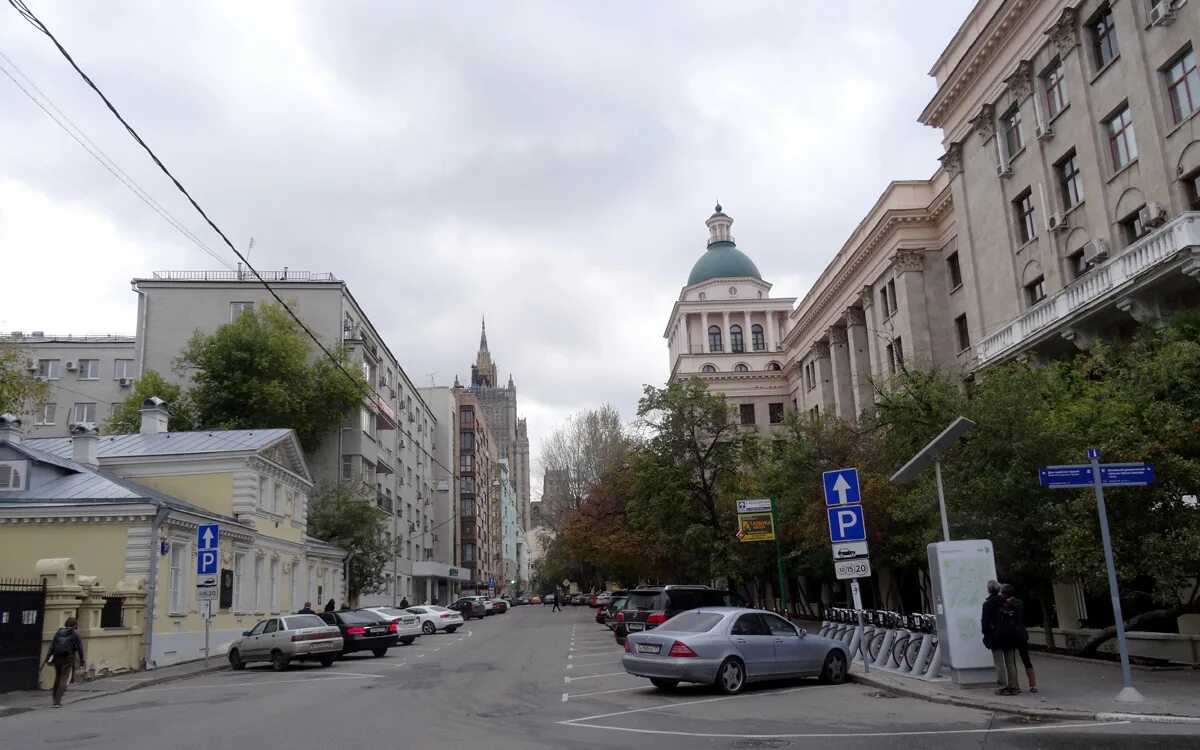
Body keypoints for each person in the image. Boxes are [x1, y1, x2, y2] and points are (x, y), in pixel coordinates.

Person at [992, 584, 1026, 695]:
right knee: (1010, 662)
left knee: (1000, 662)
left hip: (1001, 635)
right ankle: (1013, 686)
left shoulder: (1002, 604)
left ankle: (1003, 686)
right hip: (1012, 636)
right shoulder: (1018, 603)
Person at [1001, 584, 1036, 693]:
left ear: (1005, 594)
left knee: (1012, 661)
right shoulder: (1019, 602)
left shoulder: (1006, 605)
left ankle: (1015, 684)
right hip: (1021, 634)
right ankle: (1033, 684)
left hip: (1011, 635)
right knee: (1026, 659)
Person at [45, 617, 85, 707]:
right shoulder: (75, 633)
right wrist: (82, 660)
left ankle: (54, 699)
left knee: (57, 677)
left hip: (57, 658)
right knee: (64, 679)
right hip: (68, 658)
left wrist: (47, 658)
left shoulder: (59, 632)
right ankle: (57, 702)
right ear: (75, 625)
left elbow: (52, 646)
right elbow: (80, 648)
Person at [981, 580, 1007, 691]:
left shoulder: (988, 604)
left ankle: (1002, 685)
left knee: (999, 660)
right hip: (1008, 633)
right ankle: (1014, 684)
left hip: (995, 634)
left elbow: (985, 621)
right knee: (1010, 661)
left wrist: (985, 632)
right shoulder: (1005, 601)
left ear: (989, 590)